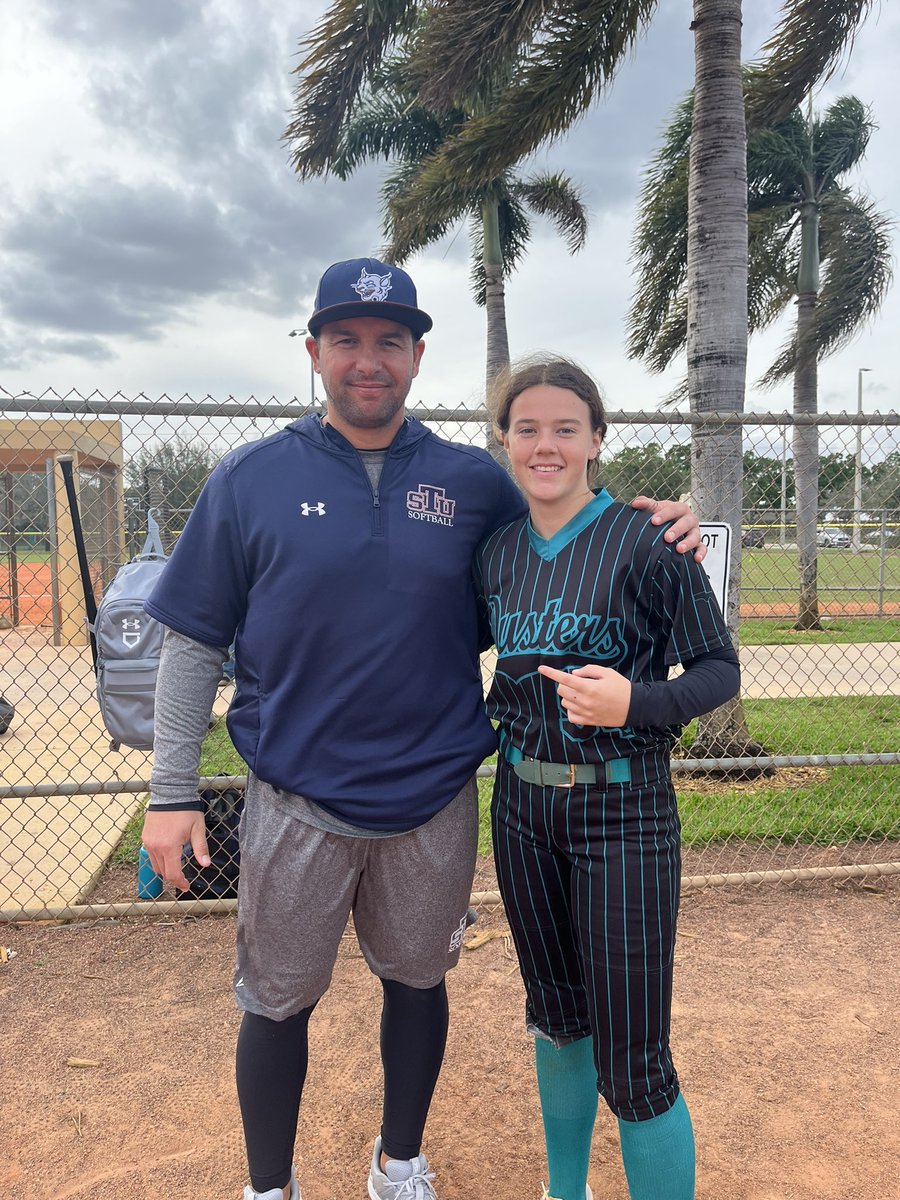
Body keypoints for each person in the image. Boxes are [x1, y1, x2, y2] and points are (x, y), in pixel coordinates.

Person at [140, 258, 706, 1200]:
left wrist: (671, 524)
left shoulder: (473, 483)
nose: (369, 360)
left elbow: (568, 528)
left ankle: (398, 1161)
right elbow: (192, 640)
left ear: (417, 357)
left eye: (390, 341)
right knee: (276, 1000)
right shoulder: (250, 478)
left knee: (416, 982)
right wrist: (169, 791)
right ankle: (269, 1185)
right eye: (348, 340)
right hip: (297, 793)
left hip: (431, 795)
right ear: (315, 351)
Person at [475, 355, 740, 1200]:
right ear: (504, 440)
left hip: (623, 807)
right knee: (557, 1021)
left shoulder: (649, 541)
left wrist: (637, 701)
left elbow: (718, 669)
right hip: (520, 808)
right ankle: (565, 1192)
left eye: (566, 428)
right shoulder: (497, 553)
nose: (545, 445)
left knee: (634, 1058)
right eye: (527, 428)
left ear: (596, 438)